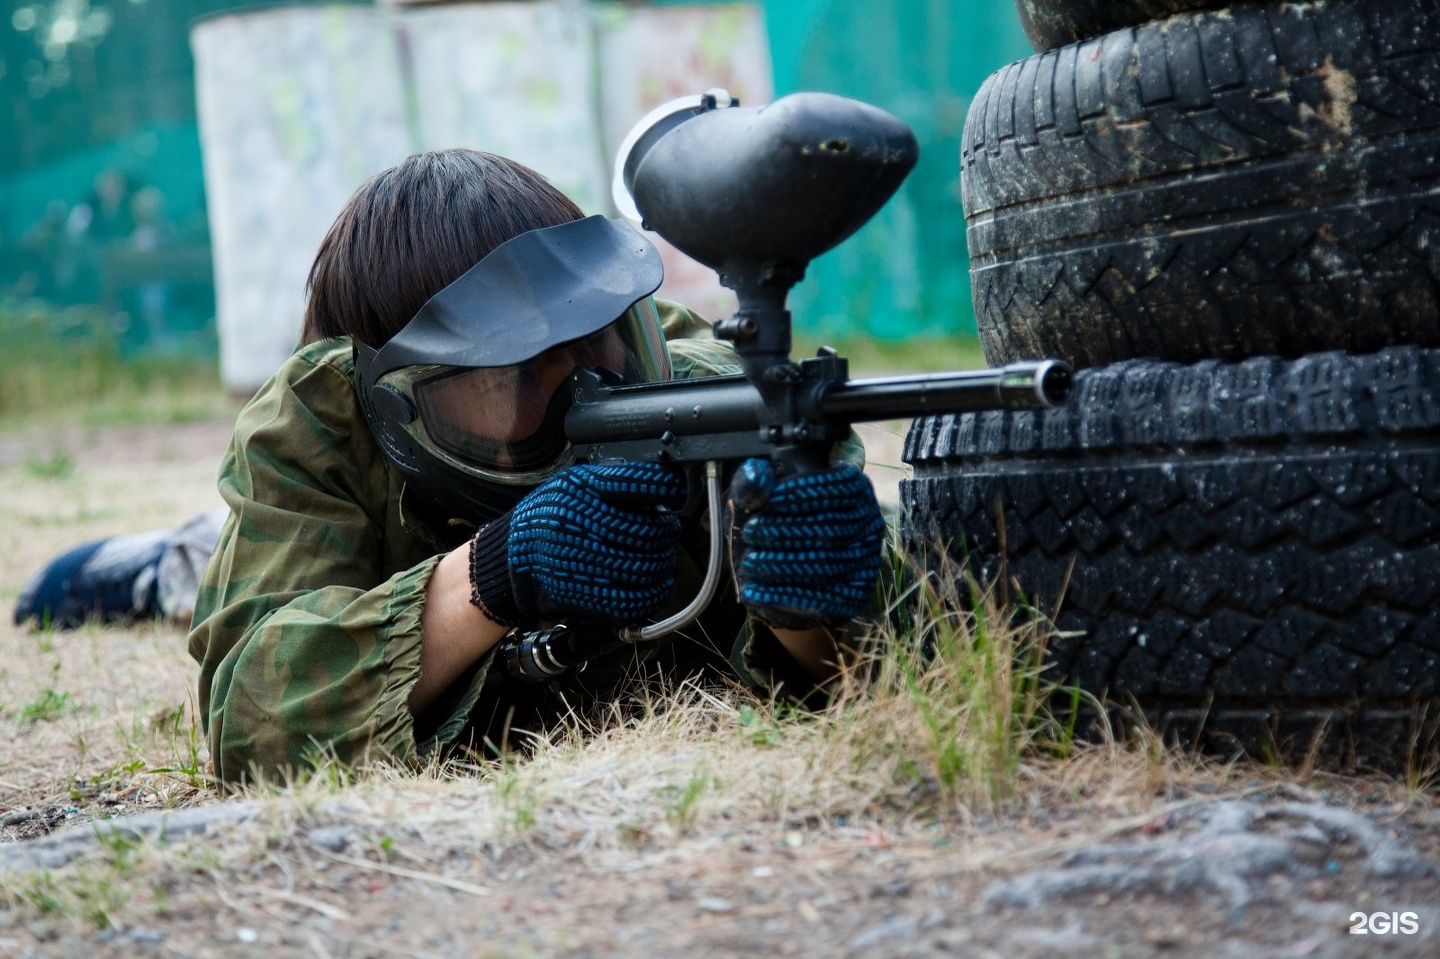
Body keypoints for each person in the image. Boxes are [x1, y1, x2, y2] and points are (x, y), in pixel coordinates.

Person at [30, 149, 890, 786]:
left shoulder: (706, 402)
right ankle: (159, 560)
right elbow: (253, 718)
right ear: (409, 398)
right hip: (353, 551)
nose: (580, 389)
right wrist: (493, 573)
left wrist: (806, 604)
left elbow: (872, 677)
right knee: (195, 567)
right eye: (517, 371)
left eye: (592, 344)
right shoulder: (321, 427)